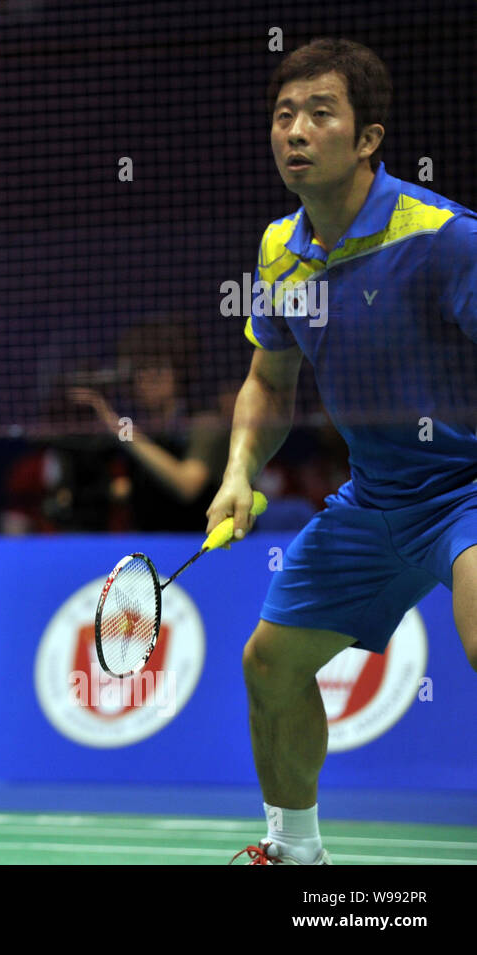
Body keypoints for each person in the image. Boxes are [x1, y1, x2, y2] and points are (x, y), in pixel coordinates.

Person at [210, 39, 477, 864]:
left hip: (467, 487)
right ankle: (296, 853)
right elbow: (268, 381)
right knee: (269, 663)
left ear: (368, 139)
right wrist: (237, 475)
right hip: (376, 499)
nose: (295, 132)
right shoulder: (278, 252)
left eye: (320, 114)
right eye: (283, 115)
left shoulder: (441, 237)